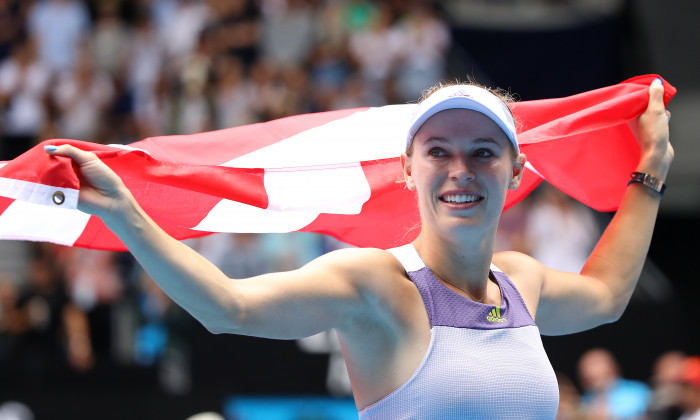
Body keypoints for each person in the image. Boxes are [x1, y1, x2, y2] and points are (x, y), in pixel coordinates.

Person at [43, 78, 673, 418]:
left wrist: (650, 169)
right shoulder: (374, 285)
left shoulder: (521, 280)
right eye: (439, 152)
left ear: (514, 172)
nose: (461, 169)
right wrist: (127, 217)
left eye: (483, 152)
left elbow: (607, 296)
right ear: (408, 169)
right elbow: (226, 307)